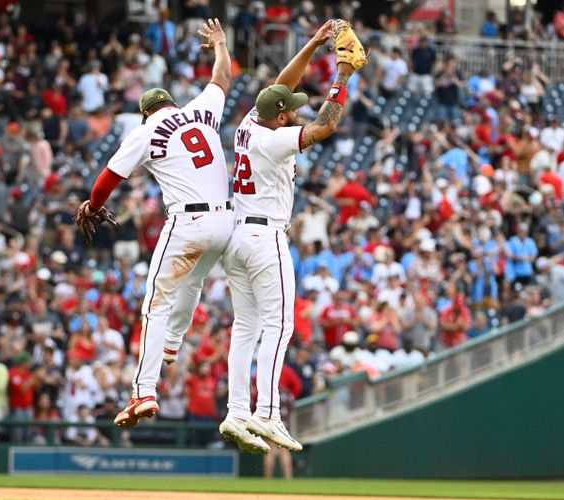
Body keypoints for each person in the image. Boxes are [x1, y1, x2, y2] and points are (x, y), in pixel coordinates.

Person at [78, 19, 235, 430]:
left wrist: (93, 206)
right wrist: (220, 44)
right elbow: (222, 76)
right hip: (225, 223)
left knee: (154, 307)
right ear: (172, 101)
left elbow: (108, 179)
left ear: (146, 111)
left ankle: (143, 391)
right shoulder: (199, 110)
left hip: (188, 222)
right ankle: (171, 345)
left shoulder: (146, 129)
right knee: (195, 280)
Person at [223, 19, 366, 455]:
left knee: (245, 328)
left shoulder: (249, 126)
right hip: (266, 238)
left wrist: (312, 44)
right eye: (293, 108)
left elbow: (279, 86)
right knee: (280, 326)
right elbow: (323, 127)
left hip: (236, 238)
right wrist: (342, 75)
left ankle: (236, 411)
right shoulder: (276, 140)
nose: (298, 109)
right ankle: (267, 411)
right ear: (283, 116)